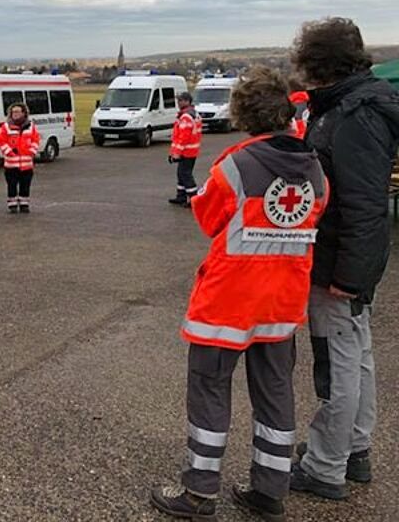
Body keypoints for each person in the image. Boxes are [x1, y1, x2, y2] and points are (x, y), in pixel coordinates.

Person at [151, 67, 328, 522]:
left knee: (209, 391)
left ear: (244, 115)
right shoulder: (314, 168)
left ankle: (198, 492)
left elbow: (208, 218)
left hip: (227, 304)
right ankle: (270, 490)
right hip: (282, 304)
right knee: (276, 393)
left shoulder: (235, 165)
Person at [288, 18, 399, 501]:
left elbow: (363, 203)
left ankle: (325, 465)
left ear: (319, 62)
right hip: (344, 259)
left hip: (338, 263)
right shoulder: (351, 106)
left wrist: (349, 276)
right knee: (356, 356)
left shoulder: (353, 115)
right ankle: (352, 449)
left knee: (337, 364)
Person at [0, 103, 41, 213]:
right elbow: (1, 141)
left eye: (17, 112)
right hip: (11, 164)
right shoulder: (6, 127)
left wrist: (32, 151)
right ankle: (12, 205)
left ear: (23, 113)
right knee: (11, 185)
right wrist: (8, 151)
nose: (15, 114)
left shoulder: (31, 126)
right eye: (13, 112)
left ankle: (24, 204)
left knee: (25, 185)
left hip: (26, 164)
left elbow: (36, 140)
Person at [168, 92, 202, 207]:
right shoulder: (193, 113)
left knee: (185, 174)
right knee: (181, 174)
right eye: (178, 100)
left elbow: (183, 137)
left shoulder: (186, 116)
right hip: (191, 150)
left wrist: (176, 153)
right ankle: (181, 196)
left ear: (187, 101)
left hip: (186, 151)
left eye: (181, 100)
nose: (178, 103)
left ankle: (193, 199)